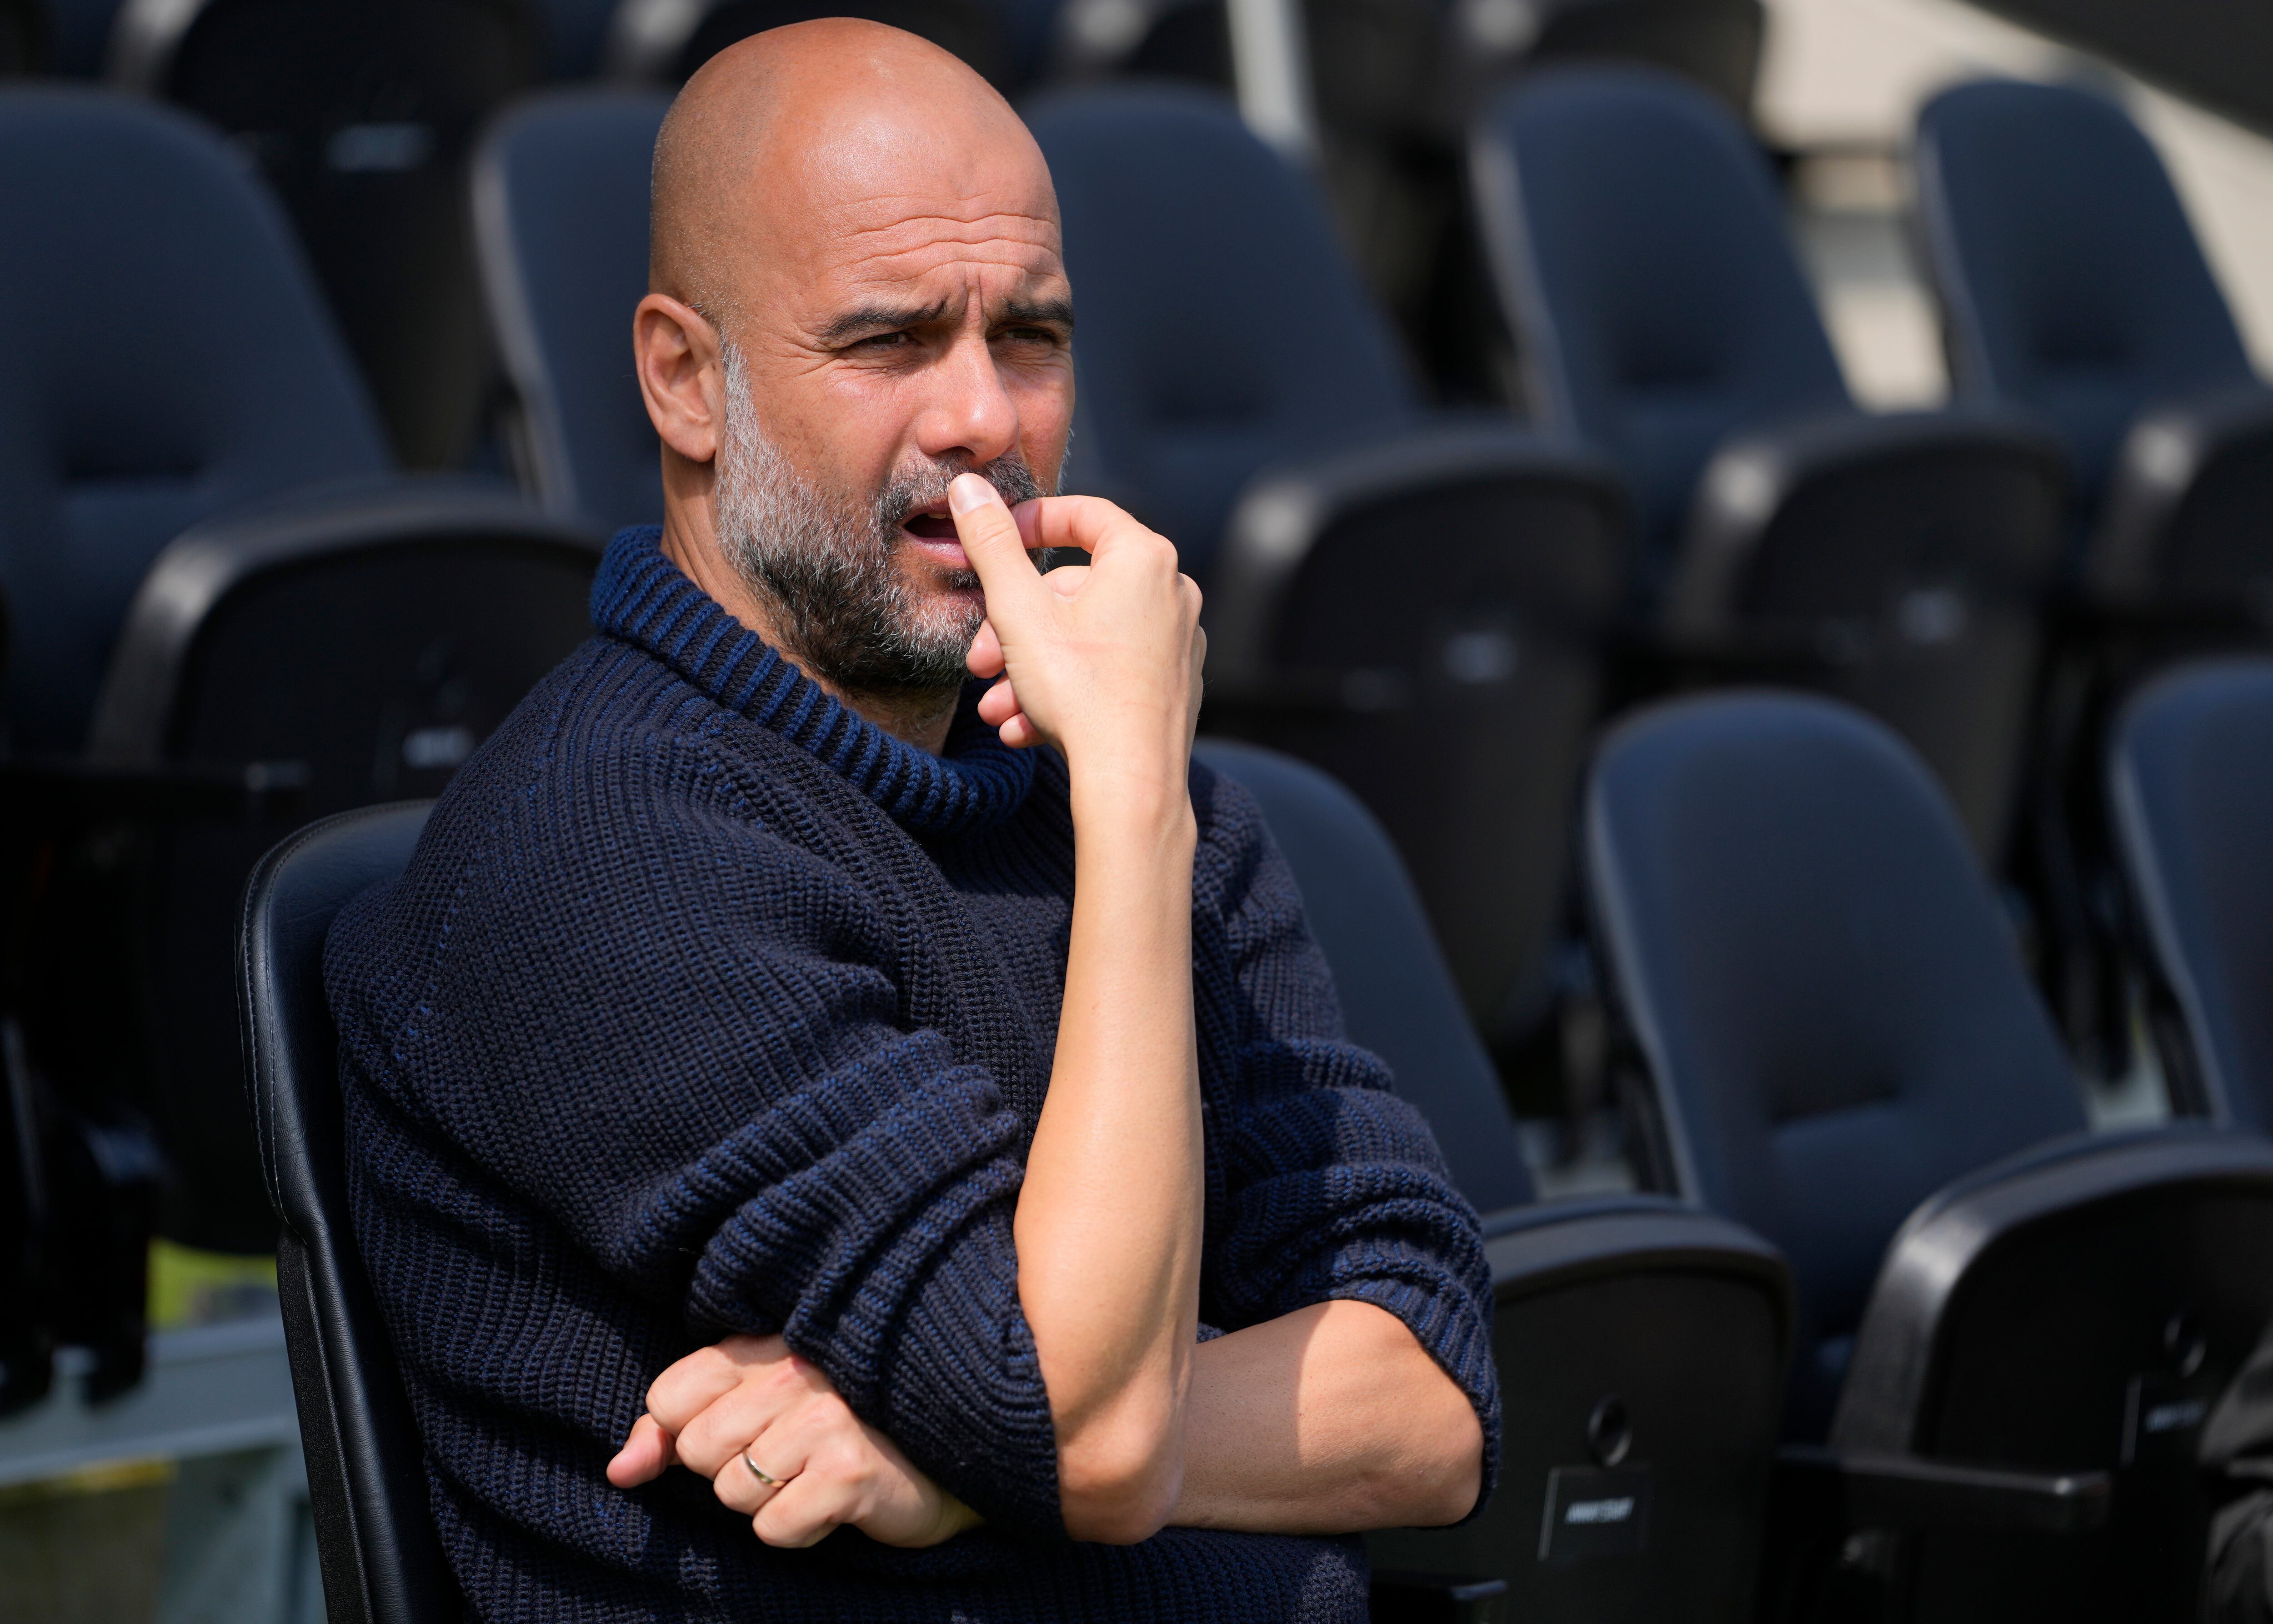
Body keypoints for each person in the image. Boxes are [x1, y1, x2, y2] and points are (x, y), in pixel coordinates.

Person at [325, 20, 1494, 1621]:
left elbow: (1430, 1401)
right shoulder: (614, 846)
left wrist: (955, 1460)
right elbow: (1086, 1424)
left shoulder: (1134, 798)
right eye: (887, 343)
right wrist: (1049, 1433)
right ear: (685, 379)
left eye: (1030, 335)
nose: (983, 423)